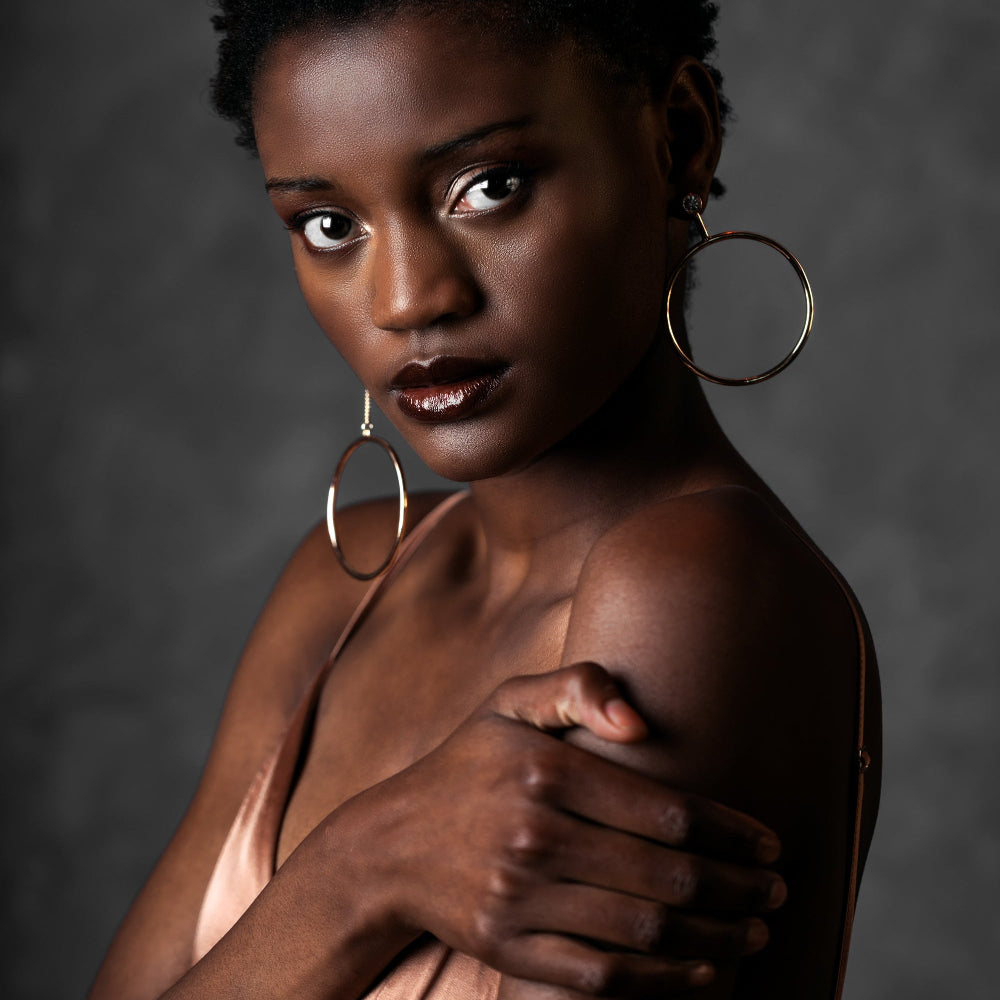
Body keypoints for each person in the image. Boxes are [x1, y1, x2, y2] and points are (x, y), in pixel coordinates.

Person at [88, 2, 882, 998]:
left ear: (678, 135)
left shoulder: (693, 581)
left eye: (488, 187)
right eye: (329, 225)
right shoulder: (344, 582)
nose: (408, 298)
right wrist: (355, 874)